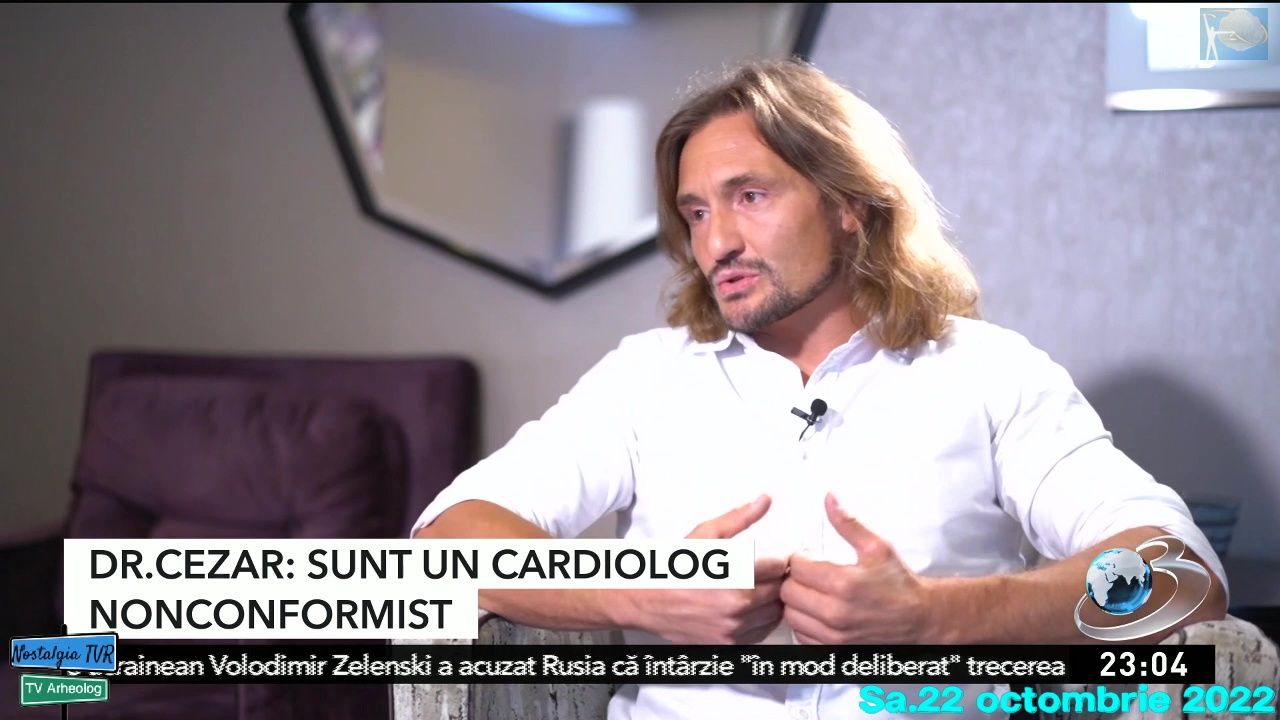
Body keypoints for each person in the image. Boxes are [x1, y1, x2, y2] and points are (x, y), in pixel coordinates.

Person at [413, 59, 1227, 720]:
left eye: (749, 197)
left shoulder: (990, 373)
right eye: (696, 214)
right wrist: (644, 591)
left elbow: (1183, 576)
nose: (716, 243)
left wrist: (934, 618)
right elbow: (444, 546)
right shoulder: (645, 378)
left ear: (848, 204)